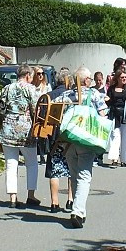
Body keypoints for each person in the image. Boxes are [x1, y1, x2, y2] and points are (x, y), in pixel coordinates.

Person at [61, 67, 108, 229]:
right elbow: (103, 115)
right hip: (86, 141)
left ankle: (79, 209)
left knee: (74, 176)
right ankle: (78, 212)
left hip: (68, 142)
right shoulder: (94, 94)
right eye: (90, 79)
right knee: (84, 177)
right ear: (87, 80)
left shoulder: (66, 95)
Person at [0, 65, 41, 208]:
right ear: (28, 75)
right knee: (32, 163)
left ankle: (12, 198)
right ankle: (31, 195)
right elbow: (36, 109)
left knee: (11, 164)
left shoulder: (7, 88)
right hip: (25, 130)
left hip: (8, 128)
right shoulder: (31, 89)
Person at [46, 69, 74, 213]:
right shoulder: (73, 96)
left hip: (54, 136)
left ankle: (54, 203)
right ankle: (70, 200)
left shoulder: (49, 96)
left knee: (54, 170)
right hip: (70, 136)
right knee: (72, 168)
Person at [105, 68, 126, 166]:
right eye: (122, 77)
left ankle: (124, 159)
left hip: (125, 116)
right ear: (117, 78)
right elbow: (109, 102)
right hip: (114, 115)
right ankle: (114, 159)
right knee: (115, 137)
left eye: (125, 77)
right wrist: (107, 100)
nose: (124, 79)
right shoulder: (111, 88)